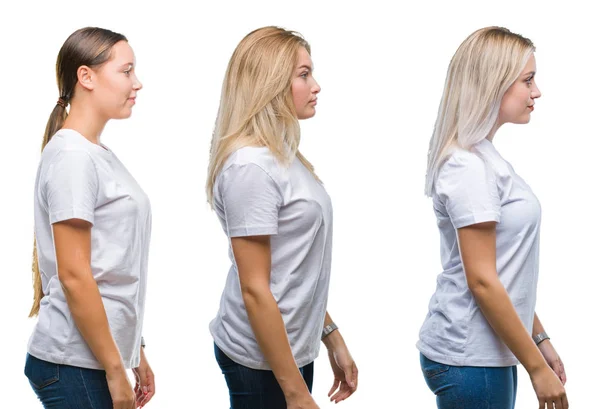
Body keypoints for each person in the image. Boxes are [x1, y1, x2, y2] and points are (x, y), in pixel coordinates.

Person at [206, 26, 358, 409]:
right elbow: (256, 289)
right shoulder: (250, 168)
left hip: (290, 350)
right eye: (303, 74)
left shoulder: (282, 157)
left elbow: (292, 267)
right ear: (270, 83)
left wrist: (330, 335)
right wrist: (295, 392)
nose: (316, 85)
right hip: (260, 362)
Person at [417, 26, 569, 409]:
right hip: (470, 357)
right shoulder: (467, 167)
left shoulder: (484, 157)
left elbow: (504, 270)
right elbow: (482, 281)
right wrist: (536, 369)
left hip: (489, 353)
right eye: (528, 80)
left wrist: (540, 340)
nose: (537, 92)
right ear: (493, 83)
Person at [24, 27, 155, 409]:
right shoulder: (73, 157)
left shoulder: (95, 154)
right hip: (75, 363)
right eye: (126, 71)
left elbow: (109, 265)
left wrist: (135, 351)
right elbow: (76, 275)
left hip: (96, 358)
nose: (137, 83)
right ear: (87, 76)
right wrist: (115, 369)